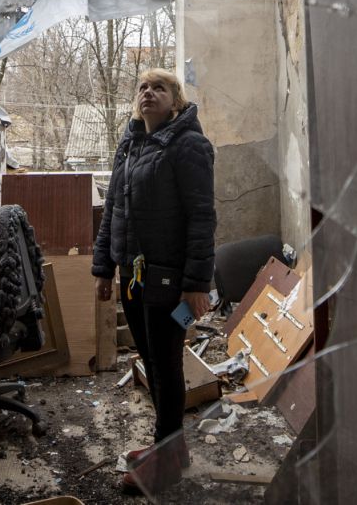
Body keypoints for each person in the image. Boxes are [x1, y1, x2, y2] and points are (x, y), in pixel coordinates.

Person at [92, 68, 216, 494]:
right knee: (153, 364)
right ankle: (172, 450)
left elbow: (203, 218)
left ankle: (165, 465)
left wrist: (196, 285)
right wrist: (104, 268)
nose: (149, 92)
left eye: (159, 87)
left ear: (176, 101)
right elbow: (112, 211)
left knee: (166, 368)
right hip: (133, 277)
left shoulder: (189, 145)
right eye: (143, 87)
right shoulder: (129, 144)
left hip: (170, 282)